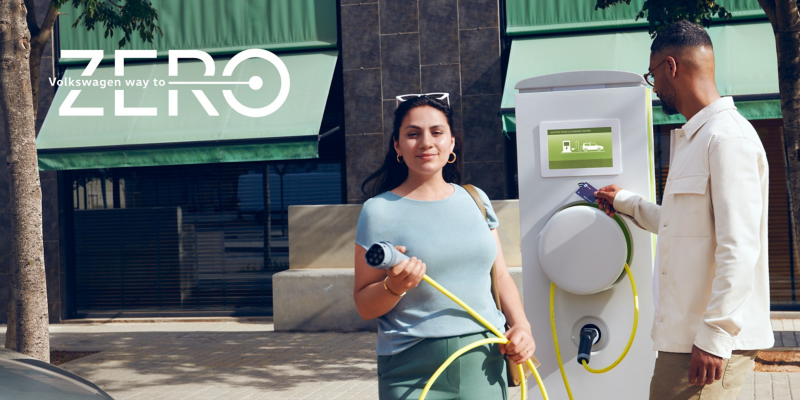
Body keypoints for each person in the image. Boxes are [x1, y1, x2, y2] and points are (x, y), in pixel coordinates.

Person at [593, 20, 774, 400]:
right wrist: (626, 203)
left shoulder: (727, 139)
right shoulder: (697, 138)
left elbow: (739, 248)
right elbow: (684, 226)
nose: (655, 87)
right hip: (688, 336)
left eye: (653, 75)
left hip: (706, 341)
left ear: (671, 67)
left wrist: (715, 336)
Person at [353, 94, 534, 400]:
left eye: (437, 132)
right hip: (409, 368)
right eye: (413, 134)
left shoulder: (476, 199)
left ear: (452, 142)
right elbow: (364, 304)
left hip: (485, 360)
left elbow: (499, 276)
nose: (426, 142)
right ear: (397, 146)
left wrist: (523, 327)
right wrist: (394, 287)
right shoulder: (378, 210)